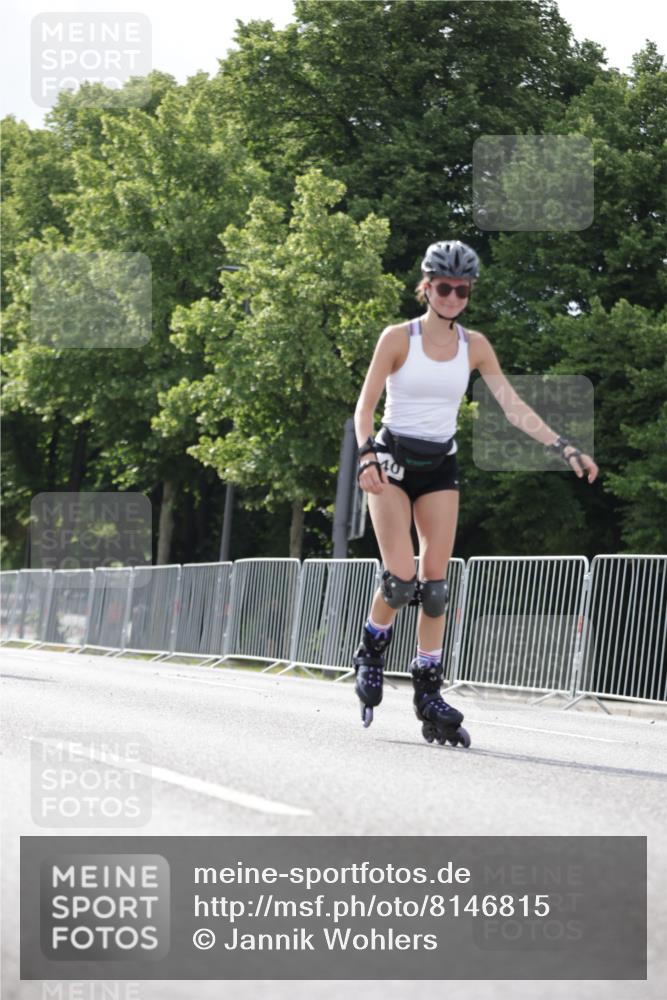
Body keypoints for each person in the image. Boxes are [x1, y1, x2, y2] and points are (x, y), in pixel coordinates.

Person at [352, 239, 599, 745]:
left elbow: (511, 406)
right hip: (392, 463)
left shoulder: (475, 345)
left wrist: (564, 446)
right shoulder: (399, 338)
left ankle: (427, 687)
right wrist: (365, 455)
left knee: (436, 585)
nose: (452, 297)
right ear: (426, 287)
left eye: (462, 290)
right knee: (401, 579)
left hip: (440, 466)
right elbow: (364, 406)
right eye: (444, 288)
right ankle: (372, 647)